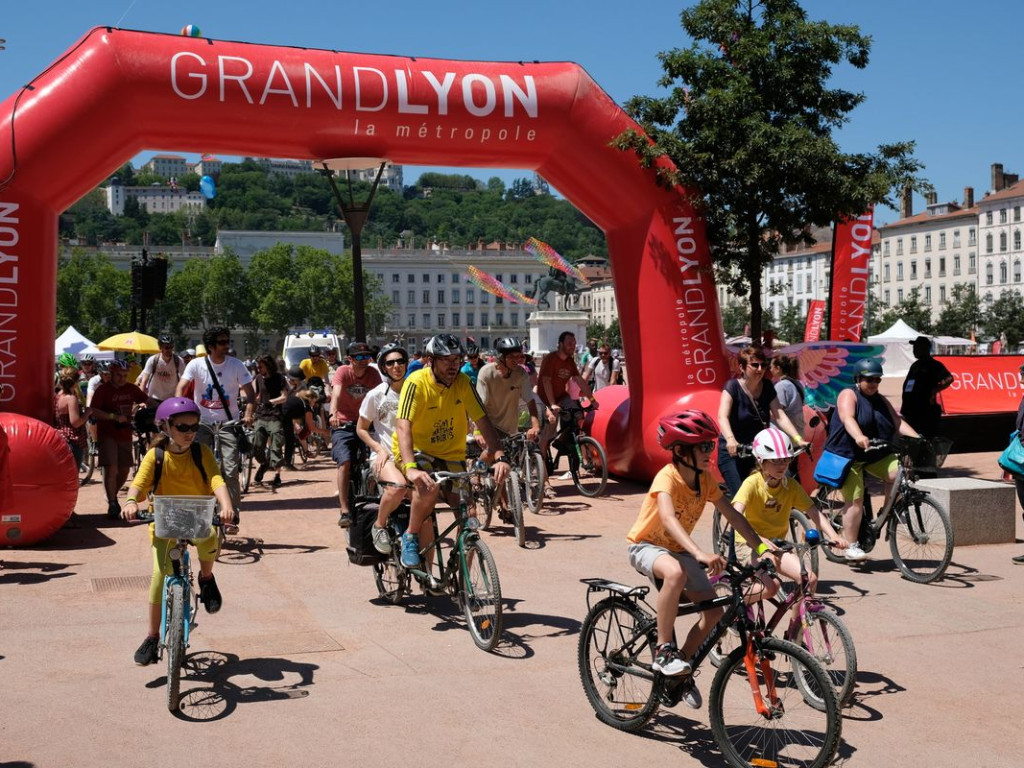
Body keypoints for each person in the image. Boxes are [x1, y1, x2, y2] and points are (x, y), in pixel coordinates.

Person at [626, 410, 769, 708]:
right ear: (680, 450)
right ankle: (664, 651)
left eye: (712, 445)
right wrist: (698, 552)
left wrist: (761, 548)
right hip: (646, 546)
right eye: (703, 447)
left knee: (713, 613)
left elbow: (732, 515)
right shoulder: (668, 476)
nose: (710, 452)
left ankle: (681, 669)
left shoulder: (705, 481)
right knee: (675, 573)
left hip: (678, 552)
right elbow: (666, 517)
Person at [121, 397, 236, 666]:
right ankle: (152, 637)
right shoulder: (156, 455)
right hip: (164, 522)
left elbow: (216, 479)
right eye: (182, 427)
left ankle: (206, 579)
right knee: (159, 577)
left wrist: (226, 505)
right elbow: (138, 484)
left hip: (197, 517)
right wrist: (129, 501)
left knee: (209, 543)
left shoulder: (201, 452)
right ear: (166, 427)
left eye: (194, 426)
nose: (190, 432)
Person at [393, 334, 509, 571]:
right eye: (446, 359)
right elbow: (403, 425)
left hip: (451, 455)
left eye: (456, 359)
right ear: (430, 360)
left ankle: (462, 580)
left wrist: (500, 456)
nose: (453, 364)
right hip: (417, 451)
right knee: (427, 487)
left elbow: (482, 420)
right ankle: (411, 536)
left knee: (469, 514)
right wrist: (411, 468)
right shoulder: (416, 382)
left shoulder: (463, 382)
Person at [822, 357, 920, 561]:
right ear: (858, 378)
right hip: (848, 455)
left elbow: (897, 422)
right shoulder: (849, 394)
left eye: (877, 379)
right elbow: (847, 417)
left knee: (899, 472)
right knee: (855, 500)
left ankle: (888, 509)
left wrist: (918, 438)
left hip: (874, 453)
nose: (874, 383)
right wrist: (858, 436)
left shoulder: (880, 399)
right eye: (869, 380)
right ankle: (851, 545)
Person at [732, 427, 849, 597]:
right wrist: (758, 540)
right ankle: (734, 605)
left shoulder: (790, 486)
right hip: (749, 544)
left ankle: (798, 623)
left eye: (786, 460)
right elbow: (735, 515)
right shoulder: (752, 484)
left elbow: (813, 511)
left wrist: (833, 535)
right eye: (775, 461)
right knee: (770, 587)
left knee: (809, 579)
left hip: (776, 545)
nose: (782, 466)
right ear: (761, 461)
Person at [175, 326, 255, 514]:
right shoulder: (195, 365)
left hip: (229, 423)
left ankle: (232, 514)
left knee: (230, 470)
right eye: (222, 342)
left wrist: (249, 414)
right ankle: (199, 510)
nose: (226, 345)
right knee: (197, 466)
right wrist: (180, 411)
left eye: (228, 341)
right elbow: (181, 387)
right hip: (202, 422)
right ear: (211, 346)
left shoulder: (236, 365)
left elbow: (251, 394)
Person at [717, 346, 804, 498]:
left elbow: (780, 415)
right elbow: (722, 416)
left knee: (767, 493)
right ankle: (739, 519)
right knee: (742, 499)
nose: (760, 369)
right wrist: (731, 440)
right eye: (754, 365)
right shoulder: (732, 387)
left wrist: (798, 439)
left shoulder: (768, 386)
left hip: (757, 450)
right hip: (734, 452)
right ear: (741, 367)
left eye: (763, 365)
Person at [474, 337, 543, 518]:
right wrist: (477, 431)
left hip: (509, 427)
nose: (517, 360)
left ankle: (504, 504)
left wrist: (535, 424)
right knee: (492, 453)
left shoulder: (520, 374)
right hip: (488, 423)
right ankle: (476, 473)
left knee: (505, 467)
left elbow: (530, 401)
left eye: (519, 356)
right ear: (500, 357)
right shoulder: (486, 373)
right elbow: (478, 406)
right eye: (512, 356)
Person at [355, 343, 411, 553]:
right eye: (390, 363)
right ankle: (379, 525)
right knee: (398, 487)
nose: (396, 366)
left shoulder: (416, 391)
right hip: (385, 456)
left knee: (426, 498)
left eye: (400, 361)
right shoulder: (376, 394)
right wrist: (379, 449)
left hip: (412, 456)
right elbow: (362, 429)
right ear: (384, 367)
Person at [329, 340, 382, 528]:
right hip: (343, 423)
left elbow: (380, 395)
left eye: (367, 356)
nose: (363, 360)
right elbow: (336, 393)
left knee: (380, 458)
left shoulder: (374, 374)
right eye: (359, 357)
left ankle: (379, 499)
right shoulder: (343, 371)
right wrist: (333, 413)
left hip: (366, 424)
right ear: (350, 359)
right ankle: (344, 510)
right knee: (345, 463)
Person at [91, 359, 148, 518]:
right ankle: (112, 503)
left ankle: (112, 495)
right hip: (107, 433)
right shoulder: (103, 390)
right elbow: (92, 411)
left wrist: (165, 407)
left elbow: (146, 399)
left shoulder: (131, 388)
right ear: (112, 374)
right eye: (119, 375)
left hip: (125, 433)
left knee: (125, 469)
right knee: (112, 467)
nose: (122, 378)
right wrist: (112, 416)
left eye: (125, 375)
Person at [538, 331, 594, 460]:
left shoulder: (569, 361)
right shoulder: (550, 359)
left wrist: (592, 399)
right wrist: (552, 404)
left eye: (574, 344)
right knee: (546, 436)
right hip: (546, 401)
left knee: (578, 415)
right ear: (560, 344)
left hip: (562, 397)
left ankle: (564, 440)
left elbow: (580, 381)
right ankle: (543, 467)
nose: (573, 346)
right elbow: (546, 381)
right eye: (569, 343)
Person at [900, 336, 954, 438]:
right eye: (914, 347)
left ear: (925, 348)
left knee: (925, 440)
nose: (914, 350)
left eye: (917, 347)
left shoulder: (934, 365)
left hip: (925, 411)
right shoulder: (915, 365)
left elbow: (949, 378)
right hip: (911, 411)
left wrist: (935, 390)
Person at [251, 354, 287, 488]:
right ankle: (264, 463)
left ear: (268, 365)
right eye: (257, 366)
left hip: (274, 415)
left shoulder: (279, 378)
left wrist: (271, 402)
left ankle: (277, 475)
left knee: (276, 446)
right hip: (260, 416)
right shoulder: (258, 378)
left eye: (261, 366)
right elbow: (257, 396)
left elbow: (284, 397)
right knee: (257, 446)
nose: (258, 368)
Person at [54, 366, 92, 474]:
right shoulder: (71, 398)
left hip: (60, 437)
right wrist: (87, 413)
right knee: (72, 475)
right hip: (72, 441)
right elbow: (75, 422)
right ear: (75, 382)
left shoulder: (58, 395)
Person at [137, 335, 184, 407]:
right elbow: (144, 381)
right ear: (160, 348)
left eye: (171, 347)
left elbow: (184, 381)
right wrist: (141, 400)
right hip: (154, 399)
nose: (169, 350)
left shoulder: (178, 361)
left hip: (171, 399)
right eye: (167, 347)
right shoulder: (153, 360)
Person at [770, 353, 805, 436]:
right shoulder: (797, 383)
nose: (770, 370)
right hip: (797, 432)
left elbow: (776, 412)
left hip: (784, 435)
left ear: (778, 368)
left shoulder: (781, 386)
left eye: (771, 367)